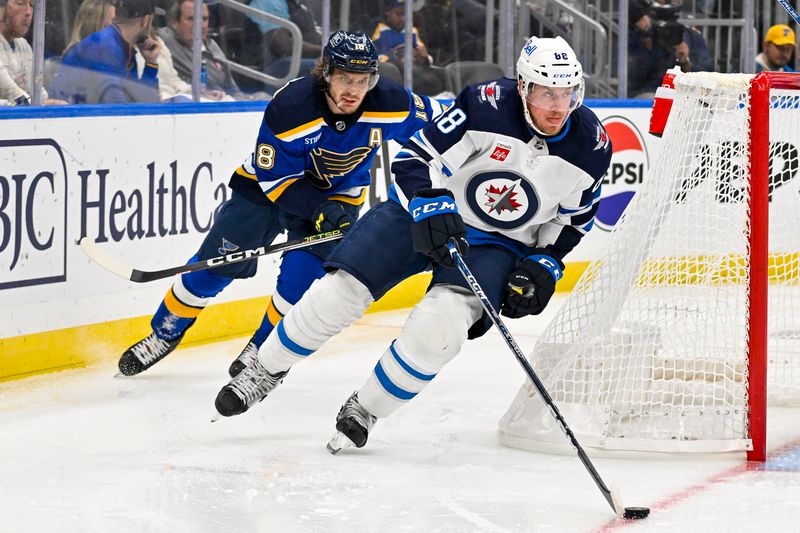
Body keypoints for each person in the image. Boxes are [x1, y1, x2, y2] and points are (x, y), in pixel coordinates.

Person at [213, 36, 612, 455]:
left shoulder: (592, 146)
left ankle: (366, 408)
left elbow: (573, 222)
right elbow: (413, 158)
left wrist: (545, 262)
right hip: (419, 212)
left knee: (441, 328)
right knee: (340, 290)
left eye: (567, 94)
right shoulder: (484, 105)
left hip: (496, 243)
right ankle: (264, 369)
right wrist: (429, 199)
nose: (557, 106)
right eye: (547, 93)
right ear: (524, 86)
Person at [117, 31, 445, 377]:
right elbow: (275, 179)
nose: (353, 90)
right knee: (215, 266)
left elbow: (449, 122)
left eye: (362, 81)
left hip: (338, 195)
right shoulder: (291, 107)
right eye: (345, 79)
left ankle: (261, 348)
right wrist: (319, 209)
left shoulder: (391, 102)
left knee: (299, 279)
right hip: (268, 189)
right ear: (326, 73)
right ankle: (164, 332)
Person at [53, 0, 162, 104]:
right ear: (145, 20)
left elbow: (144, 101)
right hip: (70, 119)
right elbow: (115, 106)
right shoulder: (103, 46)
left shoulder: (124, 48)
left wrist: (150, 63)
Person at [159, 0, 264, 101]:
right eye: (192, 19)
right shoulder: (165, 40)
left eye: (204, 19)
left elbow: (232, 88)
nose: (200, 25)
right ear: (174, 22)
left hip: (226, 102)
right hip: (198, 104)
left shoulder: (212, 45)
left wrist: (242, 100)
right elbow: (149, 36)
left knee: (264, 98)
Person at [628, 0, 713, 97]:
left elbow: (707, 77)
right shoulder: (638, 37)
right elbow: (630, 77)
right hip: (649, 95)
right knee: (648, 97)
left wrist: (685, 61)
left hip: (685, 96)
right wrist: (647, 46)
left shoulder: (692, 37)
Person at [370, 0, 446, 96]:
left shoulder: (412, 30)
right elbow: (376, 53)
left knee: (439, 75)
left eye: (405, 14)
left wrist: (424, 57)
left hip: (414, 68)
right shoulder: (381, 30)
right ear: (388, 12)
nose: (402, 18)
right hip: (395, 70)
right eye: (398, 14)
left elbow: (422, 51)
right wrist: (396, 60)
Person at [0, 0, 65, 104]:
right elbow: (15, 95)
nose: (28, 12)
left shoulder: (23, 46)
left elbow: (38, 94)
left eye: (32, 5)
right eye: (20, 3)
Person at [247, 0, 320, 79]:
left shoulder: (298, 3)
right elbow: (282, 46)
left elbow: (312, 35)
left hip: (297, 62)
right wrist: (321, 50)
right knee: (329, 66)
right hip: (267, 70)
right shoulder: (269, 2)